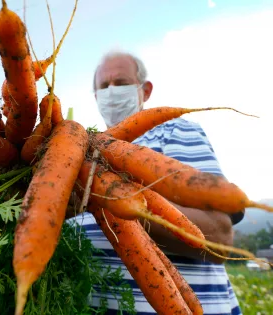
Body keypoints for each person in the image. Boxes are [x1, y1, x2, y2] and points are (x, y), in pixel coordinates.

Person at [65, 50, 244, 315]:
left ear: (145, 90)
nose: (111, 91)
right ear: (95, 97)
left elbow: (219, 236)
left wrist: (110, 196)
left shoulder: (175, 131)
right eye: (104, 86)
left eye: (121, 83)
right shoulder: (75, 156)